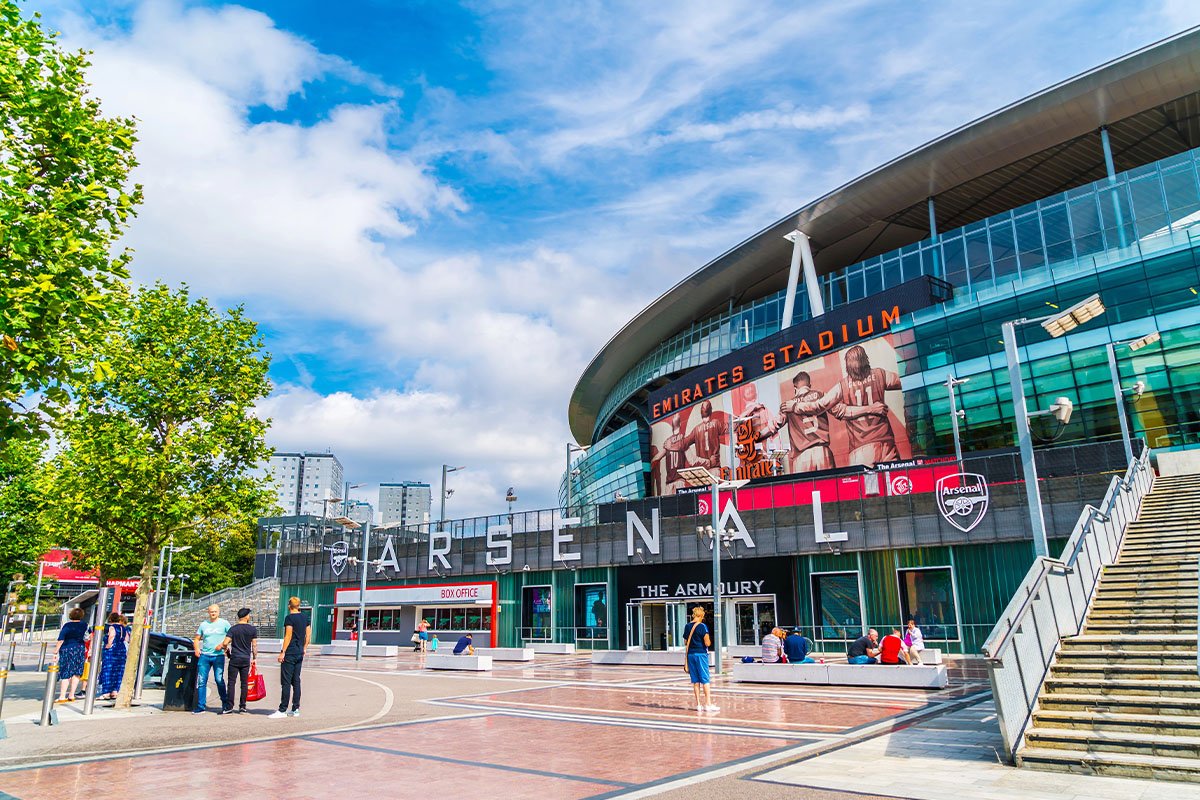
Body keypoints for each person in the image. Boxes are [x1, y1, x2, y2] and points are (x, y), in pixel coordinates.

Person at [774, 371, 836, 473]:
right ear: (809, 385)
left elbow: (775, 424)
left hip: (802, 456)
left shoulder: (788, 405)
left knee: (803, 488)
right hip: (822, 451)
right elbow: (838, 410)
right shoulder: (821, 395)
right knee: (830, 487)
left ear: (795, 388)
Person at [270, 597, 309, 719]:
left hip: (290, 652)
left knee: (286, 682)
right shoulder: (305, 617)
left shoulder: (289, 618)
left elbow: (288, 635)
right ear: (298, 606)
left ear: (289, 606)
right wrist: (305, 647)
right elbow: (308, 634)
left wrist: (283, 652)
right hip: (299, 652)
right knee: (296, 680)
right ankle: (295, 708)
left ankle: (282, 710)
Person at [194, 604, 232, 714]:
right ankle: (201, 706)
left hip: (218, 656)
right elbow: (196, 638)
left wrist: (223, 645)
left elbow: (231, 636)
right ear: (208, 612)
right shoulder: (204, 625)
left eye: (215, 611)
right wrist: (197, 649)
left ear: (219, 612)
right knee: (201, 681)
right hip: (205, 655)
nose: (213, 613)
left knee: (219, 679)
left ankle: (225, 704)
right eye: (211, 611)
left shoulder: (224, 623)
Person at [220, 607, 258, 713]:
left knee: (231, 683)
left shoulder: (233, 629)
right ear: (246, 617)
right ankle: (242, 706)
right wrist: (254, 658)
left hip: (235, 658)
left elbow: (225, 643)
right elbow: (254, 645)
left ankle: (229, 706)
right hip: (245, 659)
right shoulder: (252, 629)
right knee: (244, 683)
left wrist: (227, 651)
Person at [683, 606, 717, 712]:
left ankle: (698, 704)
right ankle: (708, 704)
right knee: (705, 679)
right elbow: (707, 642)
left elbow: (685, 642)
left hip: (691, 655)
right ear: (701, 615)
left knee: (695, 680)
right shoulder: (702, 626)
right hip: (701, 654)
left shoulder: (687, 626)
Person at [54, 607, 89, 703]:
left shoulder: (67, 626)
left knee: (65, 672)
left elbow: (61, 639)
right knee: (76, 672)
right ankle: (71, 694)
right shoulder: (85, 625)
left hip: (67, 649)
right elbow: (87, 637)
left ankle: (62, 696)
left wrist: (55, 651)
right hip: (79, 649)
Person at [99, 612, 130, 700]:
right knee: (118, 670)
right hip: (121, 650)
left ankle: (106, 692)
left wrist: (108, 644)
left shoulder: (112, 627)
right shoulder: (123, 628)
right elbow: (127, 639)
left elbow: (112, 636)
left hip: (112, 650)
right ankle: (115, 691)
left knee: (108, 670)